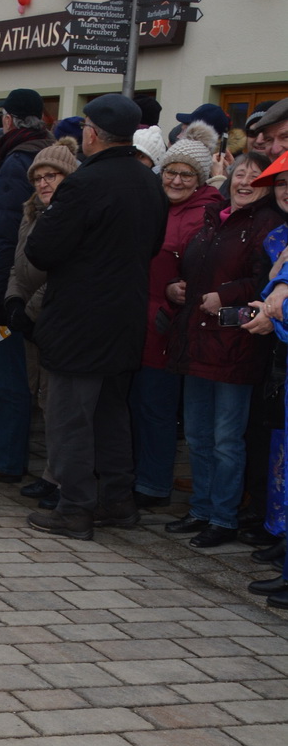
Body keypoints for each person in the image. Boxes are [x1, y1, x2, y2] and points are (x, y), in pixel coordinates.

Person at [23, 93, 168, 540]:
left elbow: (42, 249)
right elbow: (153, 245)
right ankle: (118, 502)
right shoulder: (148, 181)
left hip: (79, 318)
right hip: (124, 315)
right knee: (110, 414)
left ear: (91, 133)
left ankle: (75, 508)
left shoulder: (85, 184)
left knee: (69, 417)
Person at [163, 150, 279, 548]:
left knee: (226, 440)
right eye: (239, 174)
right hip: (196, 343)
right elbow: (193, 273)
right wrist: (174, 288)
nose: (245, 181)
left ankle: (224, 517)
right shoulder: (215, 220)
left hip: (236, 345)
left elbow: (263, 280)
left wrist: (225, 296)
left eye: (254, 176)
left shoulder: (269, 225)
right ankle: (201, 509)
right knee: (197, 435)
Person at [129, 122, 224, 510]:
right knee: (136, 403)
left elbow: (201, 273)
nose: (177, 179)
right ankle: (135, 474)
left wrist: (172, 297)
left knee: (157, 407)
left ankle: (152, 485)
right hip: (138, 317)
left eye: (186, 174)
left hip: (166, 325)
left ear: (199, 179)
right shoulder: (154, 202)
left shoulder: (204, 214)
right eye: (171, 171)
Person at [0, 88, 53, 484]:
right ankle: (8, 453)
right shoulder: (48, 154)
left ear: (7, 121)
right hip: (31, 284)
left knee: (9, 378)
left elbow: (3, 234)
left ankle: (7, 460)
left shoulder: (15, 161)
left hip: (10, 285)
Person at [4, 140, 81, 509]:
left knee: (58, 403)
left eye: (52, 175)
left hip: (57, 318)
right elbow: (18, 265)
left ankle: (60, 477)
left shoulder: (74, 214)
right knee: (40, 396)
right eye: (38, 177)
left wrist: (30, 309)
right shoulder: (30, 212)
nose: (44, 183)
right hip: (31, 318)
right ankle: (50, 472)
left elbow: (63, 273)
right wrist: (13, 301)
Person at [243, 152, 288, 608]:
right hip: (279, 357)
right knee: (278, 450)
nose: (286, 190)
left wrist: (276, 309)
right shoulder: (277, 236)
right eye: (281, 184)